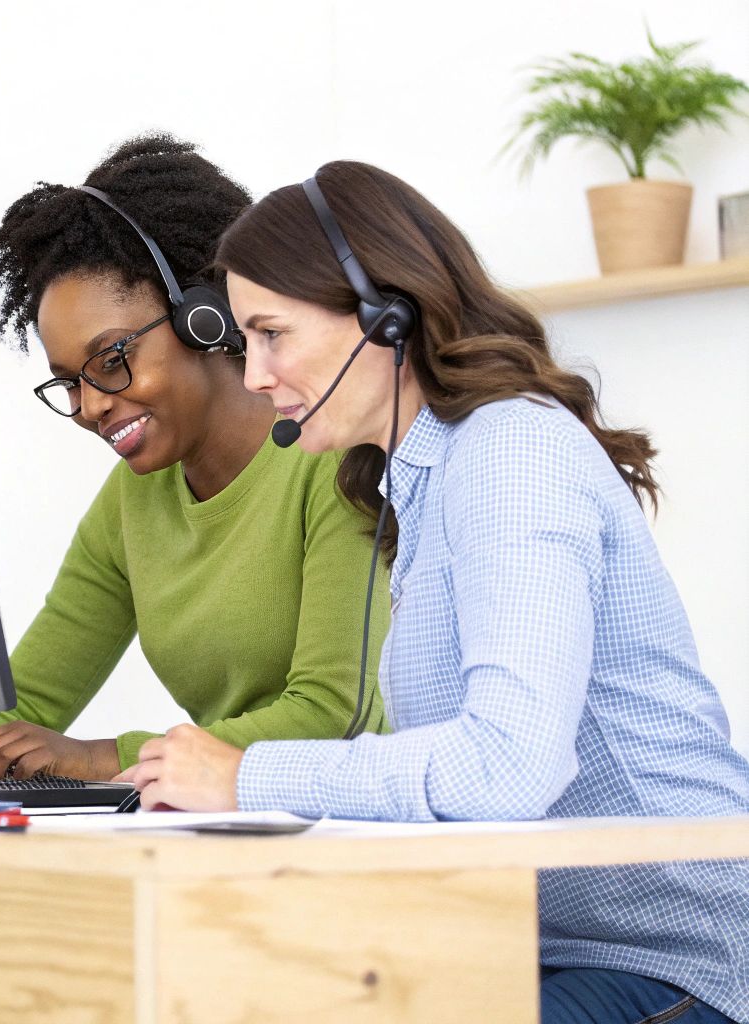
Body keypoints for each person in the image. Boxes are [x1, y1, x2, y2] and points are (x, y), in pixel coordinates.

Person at [125, 159, 749, 1023]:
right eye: (244, 342)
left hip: (669, 957)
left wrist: (249, 776)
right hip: (524, 939)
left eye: (273, 334)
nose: (256, 375)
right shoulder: (421, 482)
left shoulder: (510, 454)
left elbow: (506, 766)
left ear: (386, 317)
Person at [0, 133, 390, 791]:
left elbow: (334, 713)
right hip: (233, 827)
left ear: (202, 316)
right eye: (69, 381)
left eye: (111, 359)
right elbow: (29, 706)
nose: (91, 406)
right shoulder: (133, 501)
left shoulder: (335, 461)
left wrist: (104, 758)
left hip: (369, 832)